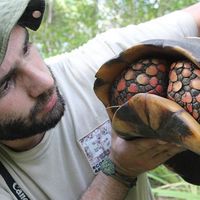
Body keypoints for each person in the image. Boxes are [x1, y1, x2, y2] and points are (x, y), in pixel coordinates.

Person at [0, 0, 199, 199]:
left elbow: (193, 19)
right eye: (5, 84)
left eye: (26, 49)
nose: (44, 82)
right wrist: (119, 171)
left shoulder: (84, 67)